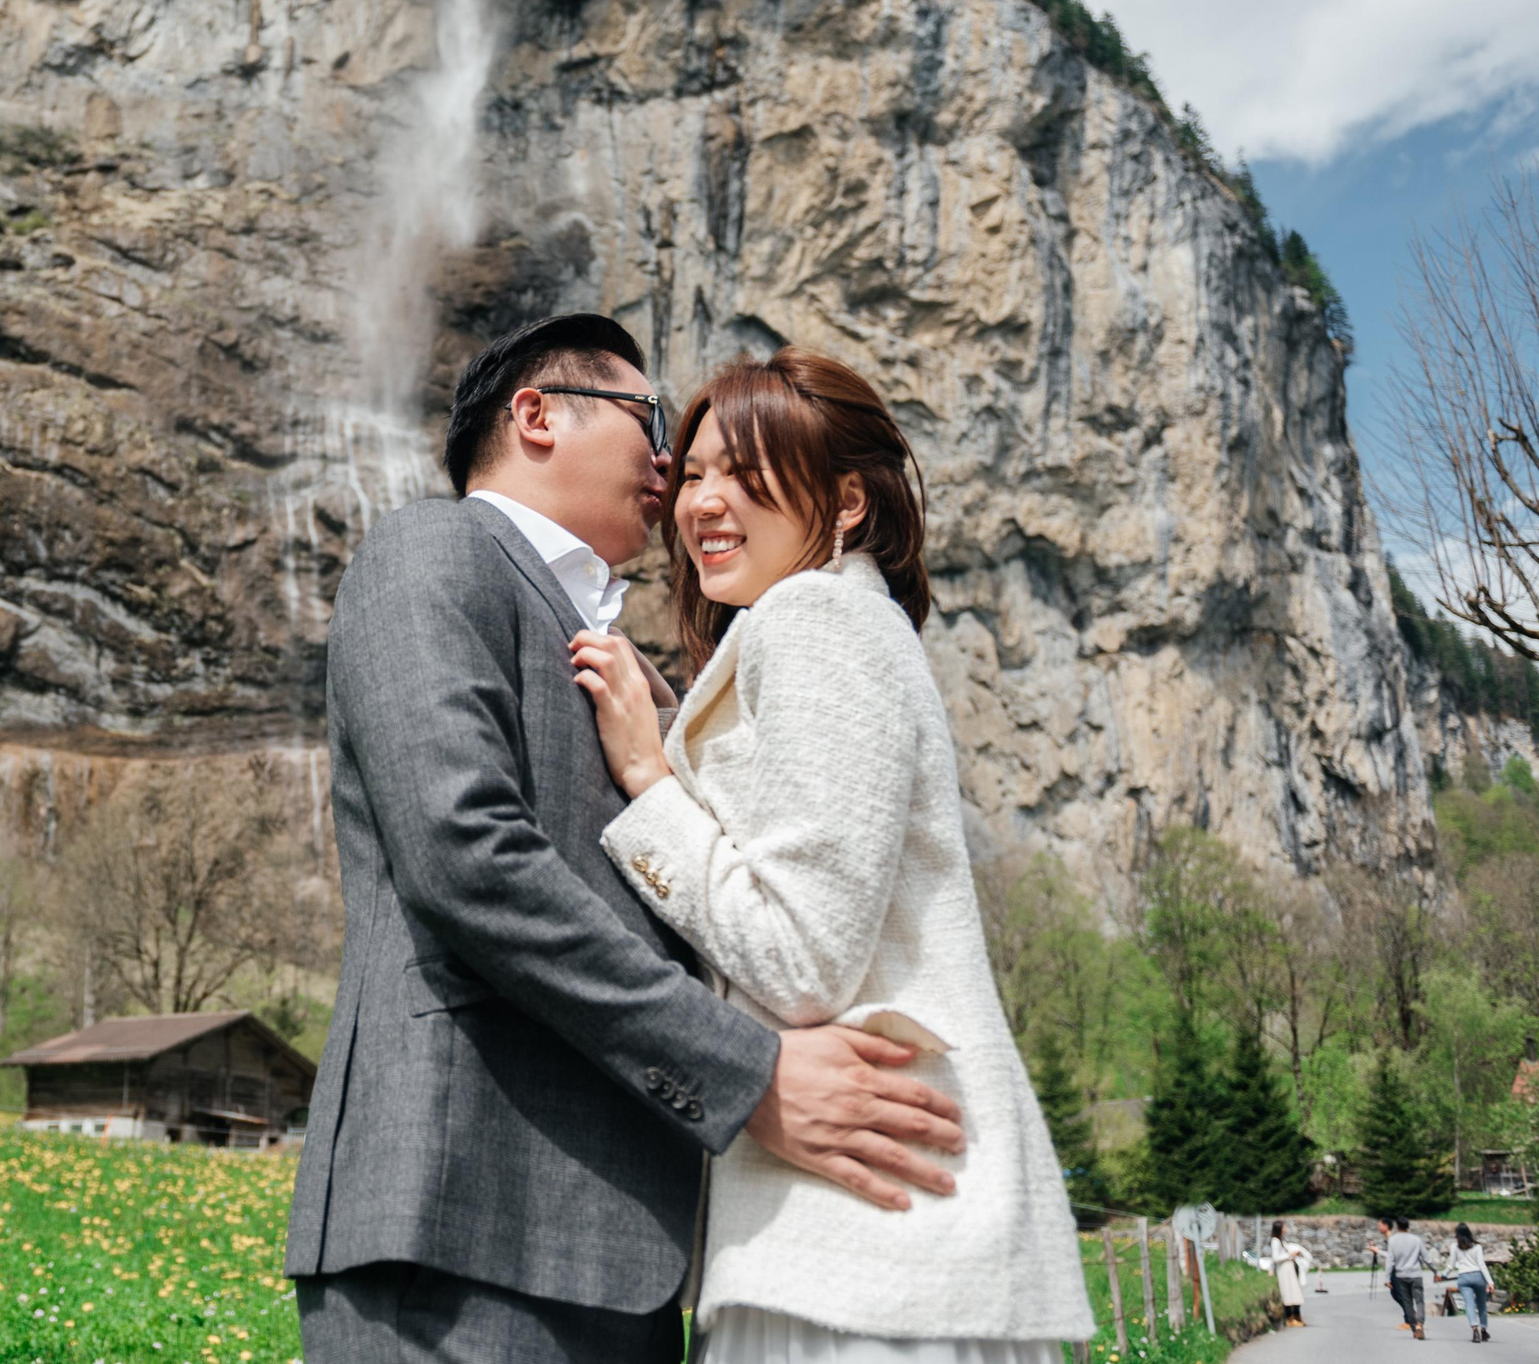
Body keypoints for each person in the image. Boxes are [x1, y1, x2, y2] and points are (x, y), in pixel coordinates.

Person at [285, 315, 967, 1364]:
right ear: (536, 414)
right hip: (460, 1222)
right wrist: (748, 1073)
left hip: (630, 1254)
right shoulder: (431, 546)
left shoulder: (628, 669)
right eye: (651, 421)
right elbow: (465, 854)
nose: (668, 462)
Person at [568, 348, 1097, 1363]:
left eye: (744, 470)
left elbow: (803, 956)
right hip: (883, 1239)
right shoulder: (847, 623)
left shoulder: (812, 615)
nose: (702, 503)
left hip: (860, 1248)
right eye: (693, 474)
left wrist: (648, 781)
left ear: (846, 500)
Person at [1447, 1224, 1492, 1342]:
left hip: (1463, 1278)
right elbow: (1482, 1265)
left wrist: (1443, 1275)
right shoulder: (1477, 1247)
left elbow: (1451, 1265)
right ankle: (1483, 1329)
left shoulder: (1454, 1246)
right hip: (1478, 1276)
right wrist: (1490, 1282)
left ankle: (1475, 1330)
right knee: (1481, 1304)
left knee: (1469, 1304)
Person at [1389, 1218, 1429, 1340]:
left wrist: (1387, 1278)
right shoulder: (1416, 1240)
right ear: (1408, 1226)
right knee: (1419, 1301)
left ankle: (1414, 1328)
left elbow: (1390, 1260)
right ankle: (1420, 1324)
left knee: (1407, 1303)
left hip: (1401, 1275)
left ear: (1397, 1226)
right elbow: (1426, 1258)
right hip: (1416, 1275)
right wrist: (1436, 1271)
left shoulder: (1393, 1240)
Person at [1267, 1221, 1312, 1328]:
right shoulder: (1275, 1241)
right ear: (1280, 1228)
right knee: (1288, 1293)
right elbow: (1275, 1258)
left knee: (1295, 1292)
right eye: (1284, 1227)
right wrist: (1289, 1255)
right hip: (1284, 1270)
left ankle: (1296, 1316)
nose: (1285, 1228)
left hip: (1289, 1269)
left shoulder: (1281, 1240)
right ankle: (1290, 1318)